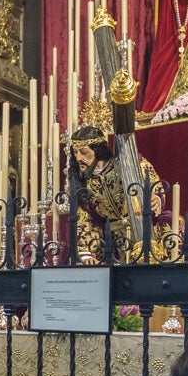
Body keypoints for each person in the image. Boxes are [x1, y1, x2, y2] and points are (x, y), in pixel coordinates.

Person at [70, 101, 162, 262]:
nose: (79, 158)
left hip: (141, 225)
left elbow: (153, 183)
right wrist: (86, 254)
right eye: (75, 153)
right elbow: (85, 218)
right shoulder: (83, 183)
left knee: (171, 222)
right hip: (111, 239)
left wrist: (155, 197)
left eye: (83, 152)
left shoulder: (129, 164)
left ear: (97, 151)